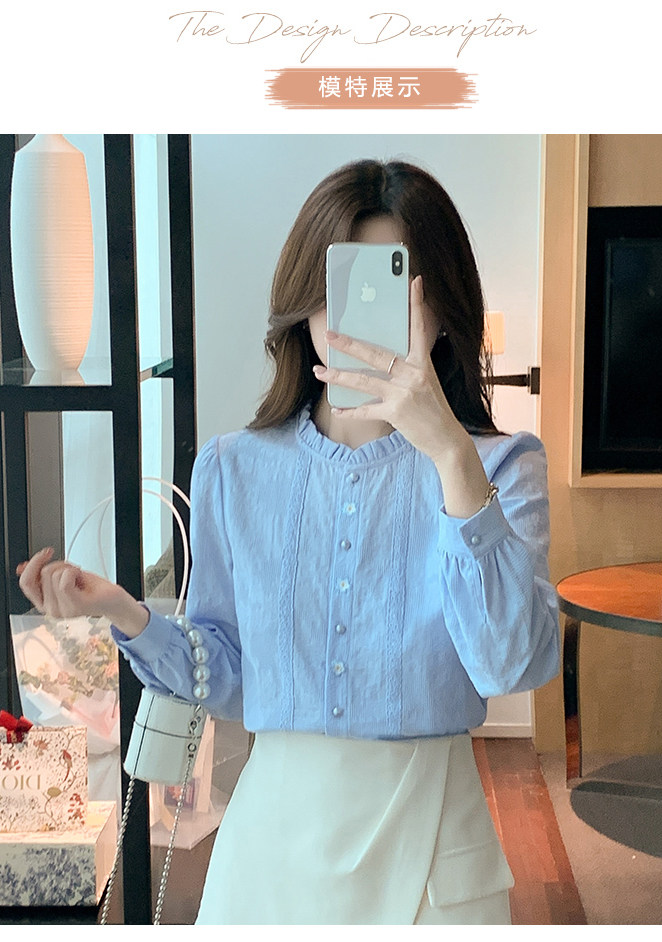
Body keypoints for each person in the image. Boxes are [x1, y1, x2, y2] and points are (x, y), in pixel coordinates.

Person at [17, 158, 560, 925]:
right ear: (305, 301)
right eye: (342, 287)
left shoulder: (500, 466)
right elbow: (228, 674)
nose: (359, 319)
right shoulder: (233, 468)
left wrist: (450, 456)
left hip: (436, 851)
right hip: (269, 850)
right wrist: (126, 614)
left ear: (442, 305)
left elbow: (511, 664)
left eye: (392, 288)